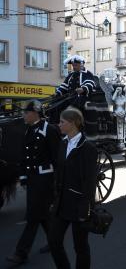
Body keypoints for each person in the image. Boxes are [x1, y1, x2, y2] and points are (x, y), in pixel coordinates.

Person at [7, 100, 61, 265]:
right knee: (43, 216)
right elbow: (24, 156)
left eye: (26, 112)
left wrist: (57, 183)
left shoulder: (49, 130)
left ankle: (21, 253)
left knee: (33, 217)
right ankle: (55, 242)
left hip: (45, 180)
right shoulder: (28, 130)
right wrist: (23, 176)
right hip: (33, 179)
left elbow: (57, 158)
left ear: (35, 113)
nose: (23, 115)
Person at [48, 107, 98, 269]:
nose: (59, 125)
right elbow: (59, 173)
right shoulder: (63, 144)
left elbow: (90, 181)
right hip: (62, 203)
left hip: (78, 205)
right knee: (54, 241)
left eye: (62, 122)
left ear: (72, 123)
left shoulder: (88, 148)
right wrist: (55, 198)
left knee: (80, 247)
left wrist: (86, 207)